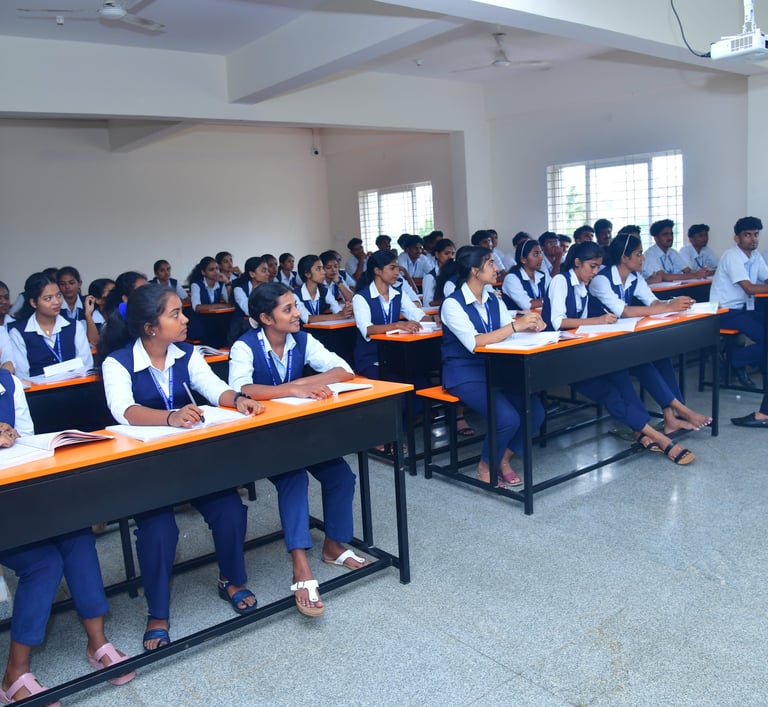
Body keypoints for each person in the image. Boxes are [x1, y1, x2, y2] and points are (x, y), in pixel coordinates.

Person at [100, 283, 264, 650]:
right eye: (175, 314)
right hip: (148, 468)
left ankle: (230, 579)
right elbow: (124, 410)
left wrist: (238, 399)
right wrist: (171, 416)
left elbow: (214, 388)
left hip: (192, 462)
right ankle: (158, 612)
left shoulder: (187, 354)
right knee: (158, 532)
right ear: (150, 327)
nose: (185, 319)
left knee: (230, 510)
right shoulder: (117, 362)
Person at [228, 282, 370, 616]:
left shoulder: (302, 340)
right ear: (266, 318)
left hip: (298, 434)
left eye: (295, 306)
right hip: (261, 438)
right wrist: (290, 389)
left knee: (341, 477)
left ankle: (333, 546)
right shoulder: (244, 346)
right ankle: (300, 565)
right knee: (294, 479)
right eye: (288, 309)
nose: (297, 314)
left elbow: (343, 370)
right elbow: (240, 389)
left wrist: (299, 385)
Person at [0, 367, 135, 703]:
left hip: (15, 496)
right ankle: (14, 673)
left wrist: (13, 434)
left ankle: (97, 642)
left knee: (76, 535)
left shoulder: (7, 382)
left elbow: (25, 437)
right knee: (43, 562)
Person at [543, 241, 695, 465]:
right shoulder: (560, 281)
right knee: (610, 393)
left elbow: (580, 326)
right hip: (556, 356)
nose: (595, 272)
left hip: (577, 350)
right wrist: (598, 320)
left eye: (598, 267)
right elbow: (558, 322)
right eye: (592, 266)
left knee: (620, 373)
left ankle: (640, 432)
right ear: (577, 262)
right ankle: (659, 438)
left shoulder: (582, 285)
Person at [441, 246, 545, 487]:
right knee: (507, 418)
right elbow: (474, 342)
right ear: (474, 270)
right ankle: (486, 465)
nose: (497, 268)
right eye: (490, 263)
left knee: (535, 412)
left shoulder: (492, 299)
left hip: (496, 369)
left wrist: (530, 327)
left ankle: (503, 459)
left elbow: (508, 333)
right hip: (465, 373)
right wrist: (516, 326)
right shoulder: (452, 304)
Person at [588, 232, 712, 433]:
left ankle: (671, 418)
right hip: (600, 341)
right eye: (638, 254)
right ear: (624, 257)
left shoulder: (634, 277)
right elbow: (625, 311)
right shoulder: (601, 280)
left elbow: (653, 302)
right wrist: (668, 306)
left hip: (622, 337)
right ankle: (681, 410)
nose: (643, 258)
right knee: (642, 360)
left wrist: (675, 303)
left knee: (661, 356)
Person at [351, 250, 434, 379]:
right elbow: (367, 329)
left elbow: (418, 316)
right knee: (397, 381)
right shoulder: (361, 297)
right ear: (377, 271)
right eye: (392, 268)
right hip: (371, 358)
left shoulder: (398, 293)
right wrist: (397, 325)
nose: (397, 273)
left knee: (420, 378)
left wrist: (437, 319)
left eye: (397, 268)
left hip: (394, 355)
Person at [710, 216, 768, 388]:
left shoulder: (756, 256)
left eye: (756, 234)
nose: (753, 239)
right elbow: (749, 288)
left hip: (744, 309)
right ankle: (733, 360)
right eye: (747, 235)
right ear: (737, 238)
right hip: (725, 311)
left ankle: (739, 359)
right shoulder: (732, 256)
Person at [8, 273, 93, 380]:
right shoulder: (18, 332)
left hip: (76, 387)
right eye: (48, 298)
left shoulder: (75, 326)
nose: (56, 302)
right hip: (39, 390)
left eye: (58, 295)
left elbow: (86, 364)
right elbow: (21, 376)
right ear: (33, 303)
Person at [642, 219, 709, 283]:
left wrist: (701, 273)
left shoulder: (672, 252)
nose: (670, 237)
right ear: (656, 238)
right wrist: (695, 275)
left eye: (671, 234)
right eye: (665, 234)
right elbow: (664, 277)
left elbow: (687, 271)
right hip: (656, 290)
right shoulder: (649, 255)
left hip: (674, 287)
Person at [293, 255, 351, 324]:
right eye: (318, 269)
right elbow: (308, 318)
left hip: (320, 329)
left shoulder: (324, 291)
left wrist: (346, 311)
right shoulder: (295, 295)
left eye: (322, 268)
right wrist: (339, 315)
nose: (324, 272)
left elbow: (337, 310)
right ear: (307, 274)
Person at [229, 256, 272, 344]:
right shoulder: (239, 289)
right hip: (242, 330)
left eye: (267, 270)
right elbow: (248, 310)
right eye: (264, 270)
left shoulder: (270, 288)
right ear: (252, 274)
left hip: (264, 326)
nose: (268, 273)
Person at [502, 239, 548, 311]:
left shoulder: (542, 275)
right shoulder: (511, 278)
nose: (541, 258)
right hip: (518, 318)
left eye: (540, 253)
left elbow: (554, 292)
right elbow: (527, 305)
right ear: (523, 259)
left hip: (539, 316)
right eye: (536, 254)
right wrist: (549, 300)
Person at [421, 238, 456, 307]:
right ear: (437, 254)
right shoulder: (430, 278)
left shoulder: (455, 273)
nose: (451, 257)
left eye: (452, 253)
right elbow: (427, 304)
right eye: (446, 253)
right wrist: (449, 299)